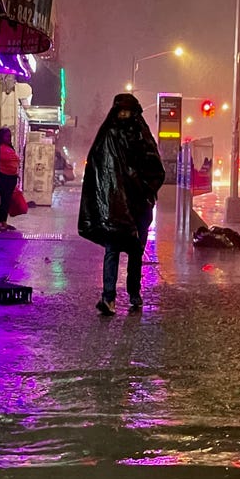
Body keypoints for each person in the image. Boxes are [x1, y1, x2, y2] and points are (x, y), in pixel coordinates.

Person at [78, 93, 165, 316]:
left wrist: (145, 190)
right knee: (113, 249)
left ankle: (134, 293)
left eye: (127, 111)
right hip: (115, 205)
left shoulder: (141, 136)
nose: (124, 115)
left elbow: (154, 167)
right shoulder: (109, 136)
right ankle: (108, 297)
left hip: (138, 204)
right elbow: (99, 169)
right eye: (121, 111)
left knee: (136, 251)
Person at [0, 127, 20, 231]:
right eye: (7, 136)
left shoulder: (10, 147)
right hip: (2, 177)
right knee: (4, 199)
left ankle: (3, 222)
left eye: (10, 136)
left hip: (11, 178)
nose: (9, 138)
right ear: (1, 136)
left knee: (7, 200)